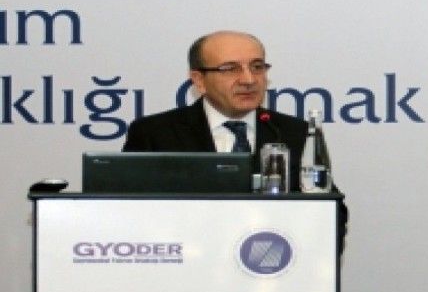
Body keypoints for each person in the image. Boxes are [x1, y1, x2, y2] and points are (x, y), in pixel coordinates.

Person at [123, 30, 346, 247]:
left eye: (257, 67)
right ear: (199, 80)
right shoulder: (155, 133)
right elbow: (131, 214)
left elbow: (330, 211)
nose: (249, 79)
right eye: (230, 69)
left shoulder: (293, 132)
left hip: (271, 260)